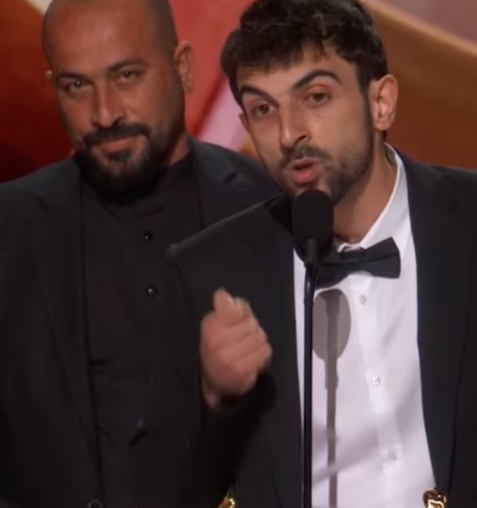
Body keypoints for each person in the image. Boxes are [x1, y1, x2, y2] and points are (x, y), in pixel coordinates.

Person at [0, 0, 278, 506]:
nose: (105, 113)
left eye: (126, 75)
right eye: (77, 86)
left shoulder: (272, 214)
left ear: (182, 68)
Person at [155, 0, 477, 506]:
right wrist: (217, 404)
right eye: (264, 109)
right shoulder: (210, 278)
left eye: (316, 97)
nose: (289, 135)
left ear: (381, 103)